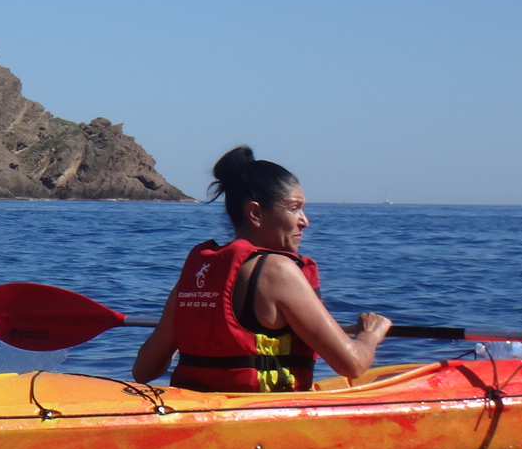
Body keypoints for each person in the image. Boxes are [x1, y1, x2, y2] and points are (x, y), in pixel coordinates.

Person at [131, 146, 391, 391]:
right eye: (294, 208)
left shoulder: (200, 275)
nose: (305, 222)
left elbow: (144, 371)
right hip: (257, 418)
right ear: (255, 214)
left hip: (198, 412)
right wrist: (370, 334)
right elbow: (352, 364)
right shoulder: (279, 271)